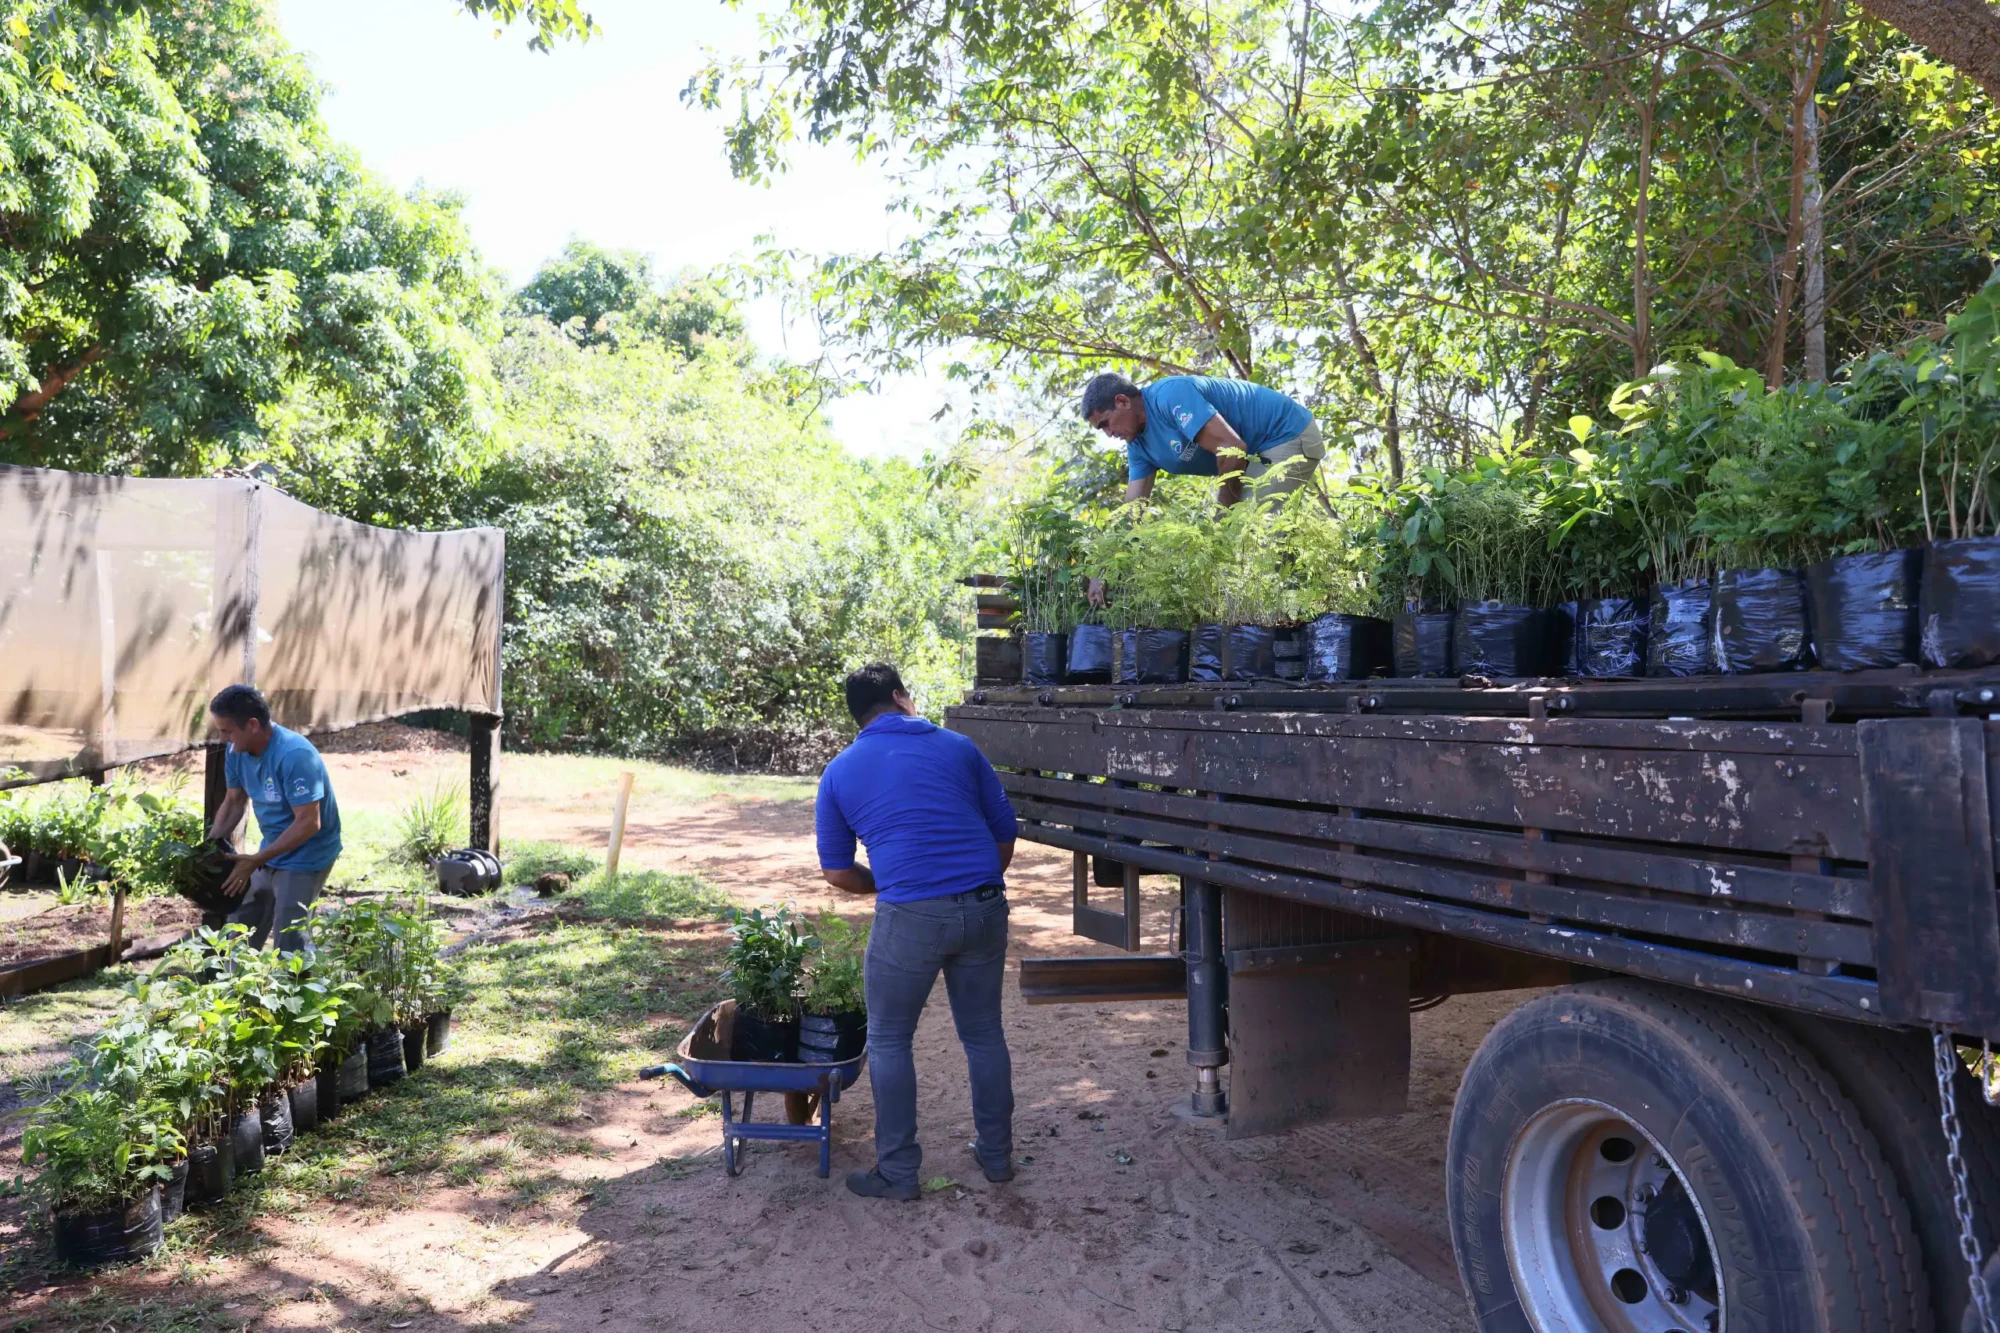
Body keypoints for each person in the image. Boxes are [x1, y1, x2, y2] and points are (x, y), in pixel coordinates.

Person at [815, 662, 1019, 1201]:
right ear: (903, 697)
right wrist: (975, 884)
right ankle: (997, 1158)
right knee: (983, 1034)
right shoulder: (959, 747)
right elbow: (1004, 832)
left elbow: (836, 872)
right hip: (984, 905)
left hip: (910, 916)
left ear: (857, 716)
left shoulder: (839, 771)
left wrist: (890, 883)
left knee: (887, 1040)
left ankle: (899, 1173)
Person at [205, 684, 343, 953]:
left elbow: (309, 822)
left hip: (307, 853)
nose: (223, 738)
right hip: (271, 848)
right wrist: (209, 846)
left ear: (252, 725)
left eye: (227, 730)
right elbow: (234, 801)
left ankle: (299, 991)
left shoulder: (294, 755)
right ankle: (236, 990)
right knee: (241, 923)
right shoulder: (237, 752)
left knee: (290, 936)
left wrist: (257, 859)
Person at [1080, 371, 1326, 508]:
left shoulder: (1169, 396)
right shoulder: (1138, 446)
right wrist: (1102, 568)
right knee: (1250, 537)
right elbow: (1132, 511)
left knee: (1249, 531)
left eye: (1105, 423)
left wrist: (1222, 514)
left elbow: (1231, 451)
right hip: (1255, 456)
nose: (1109, 434)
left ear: (1122, 401)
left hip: (1284, 432)